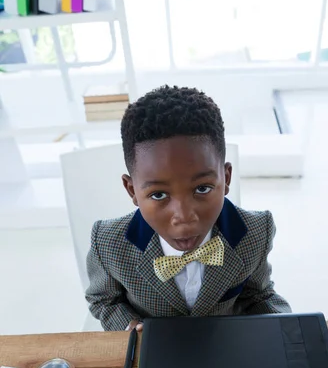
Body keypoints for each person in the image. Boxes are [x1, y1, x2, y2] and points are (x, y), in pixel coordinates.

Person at [86, 85, 291, 331]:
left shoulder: (256, 232)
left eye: (202, 188)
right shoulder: (108, 243)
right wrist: (130, 327)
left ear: (225, 178)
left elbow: (258, 296)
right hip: (156, 354)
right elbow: (103, 300)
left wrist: (286, 329)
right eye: (159, 194)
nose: (184, 217)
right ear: (132, 191)